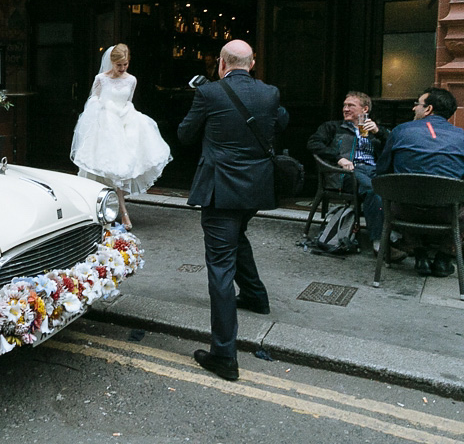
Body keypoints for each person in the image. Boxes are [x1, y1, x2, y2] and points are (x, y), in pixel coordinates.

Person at [178, 39, 288, 381]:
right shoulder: (270, 93)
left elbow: (184, 134)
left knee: (220, 268)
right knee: (237, 237)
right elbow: (280, 123)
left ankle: (224, 355)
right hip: (254, 190)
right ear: (252, 63)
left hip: (220, 190)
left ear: (222, 63)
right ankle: (256, 296)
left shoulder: (209, 93)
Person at [70, 44, 172, 230]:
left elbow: (128, 101)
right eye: (119, 65)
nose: (122, 68)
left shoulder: (131, 80)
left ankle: (122, 209)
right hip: (105, 125)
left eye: (125, 64)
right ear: (111, 62)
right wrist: (104, 109)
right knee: (105, 168)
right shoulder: (101, 79)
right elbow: (92, 101)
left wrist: (122, 113)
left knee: (122, 168)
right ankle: (108, 210)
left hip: (126, 123)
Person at [377, 87, 464, 277]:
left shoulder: (400, 131)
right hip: (447, 213)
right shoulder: (462, 137)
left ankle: (420, 254)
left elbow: (382, 171)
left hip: (404, 212)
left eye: (417, 104)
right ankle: (444, 256)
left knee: (402, 193)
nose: (413, 109)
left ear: (428, 109)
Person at [306, 91, 388, 252]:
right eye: (344, 105)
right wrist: (339, 159)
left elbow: (394, 148)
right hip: (347, 172)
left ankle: (396, 237)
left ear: (365, 109)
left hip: (373, 170)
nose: (345, 109)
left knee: (390, 187)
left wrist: (380, 133)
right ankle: (379, 241)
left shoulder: (375, 130)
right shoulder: (332, 127)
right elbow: (313, 143)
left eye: (351, 105)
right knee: (373, 189)